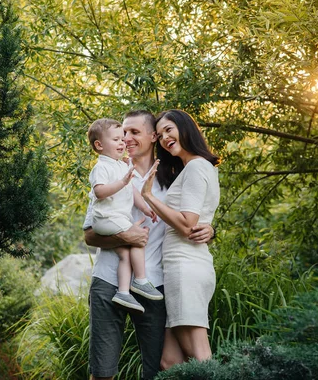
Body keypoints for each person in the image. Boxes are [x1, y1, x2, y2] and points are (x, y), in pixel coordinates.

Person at [84, 110, 214, 380]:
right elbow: (89, 235)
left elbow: (188, 219)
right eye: (122, 133)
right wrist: (125, 237)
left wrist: (209, 228)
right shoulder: (110, 173)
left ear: (153, 136)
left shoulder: (173, 180)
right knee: (103, 371)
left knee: (158, 370)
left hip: (155, 284)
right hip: (108, 280)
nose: (126, 139)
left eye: (134, 132)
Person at [140, 109, 220, 368]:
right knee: (170, 361)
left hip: (187, 266)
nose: (164, 138)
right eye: (160, 134)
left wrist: (149, 196)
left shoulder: (196, 166)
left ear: (185, 128)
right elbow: (198, 220)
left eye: (169, 130)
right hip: (177, 267)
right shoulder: (188, 169)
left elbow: (188, 224)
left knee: (199, 355)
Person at [87, 118, 163, 314]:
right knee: (136, 240)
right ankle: (140, 280)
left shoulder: (122, 166)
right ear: (99, 145)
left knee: (125, 253)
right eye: (118, 138)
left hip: (117, 220)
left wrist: (146, 208)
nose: (124, 142)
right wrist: (122, 181)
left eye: (128, 136)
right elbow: (100, 192)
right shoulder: (102, 167)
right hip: (106, 220)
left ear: (153, 137)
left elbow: (132, 192)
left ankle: (123, 291)